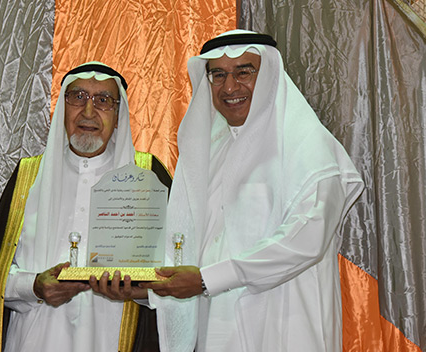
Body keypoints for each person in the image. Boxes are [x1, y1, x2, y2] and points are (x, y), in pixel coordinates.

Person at [141, 30, 365, 351]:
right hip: (217, 332)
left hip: (286, 329)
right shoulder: (210, 151)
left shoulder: (307, 146)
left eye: (244, 72)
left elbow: (305, 240)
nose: (230, 87)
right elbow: (191, 247)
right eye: (218, 75)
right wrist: (143, 284)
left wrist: (206, 279)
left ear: (270, 73)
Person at [0, 62, 169, 352]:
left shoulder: (148, 175)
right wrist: (34, 287)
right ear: (63, 107)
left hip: (114, 339)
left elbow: (177, 279)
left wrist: (139, 291)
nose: (88, 112)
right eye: (78, 97)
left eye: (103, 100)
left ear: (119, 115)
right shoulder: (28, 176)